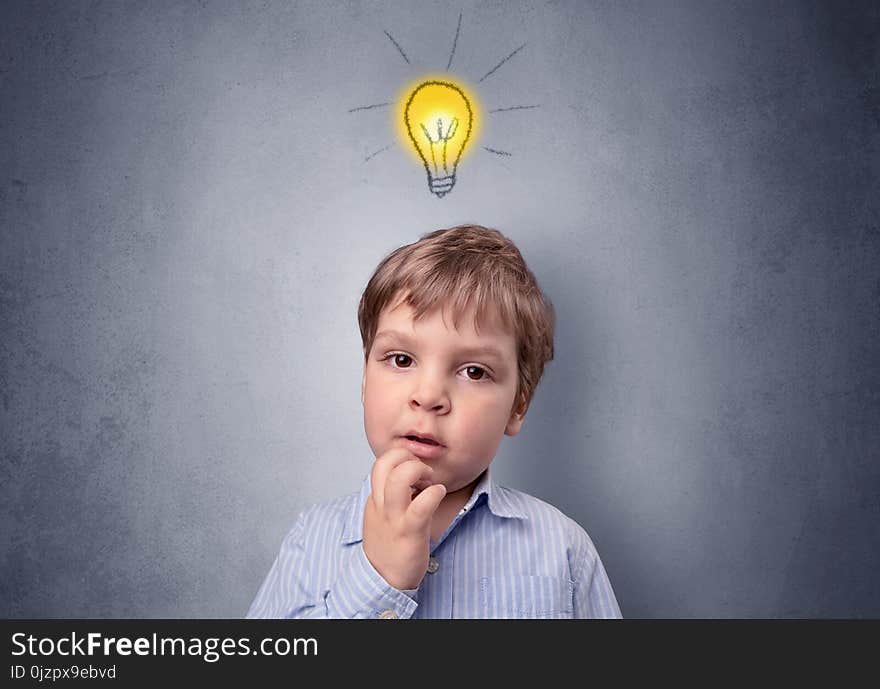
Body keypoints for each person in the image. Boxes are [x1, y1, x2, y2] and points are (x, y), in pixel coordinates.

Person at [246, 224, 621, 618]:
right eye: (402, 360)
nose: (427, 396)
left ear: (518, 407)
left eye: (474, 372)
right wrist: (381, 579)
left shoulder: (562, 549)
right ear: (364, 381)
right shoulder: (313, 538)